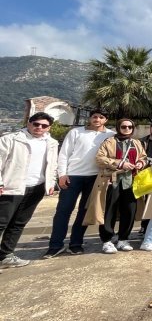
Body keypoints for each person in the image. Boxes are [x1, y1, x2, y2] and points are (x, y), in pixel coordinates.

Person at [43, 109, 115, 258]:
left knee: (84, 212)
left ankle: (76, 243)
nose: (97, 119)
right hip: (73, 176)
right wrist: (62, 174)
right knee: (63, 210)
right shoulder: (76, 132)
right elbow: (64, 154)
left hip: (95, 178)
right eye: (94, 116)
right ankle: (55, 245)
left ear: (105, 120)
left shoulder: (110, 135)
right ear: (90, 119)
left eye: (101, 117)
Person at [0, 112, 58, 268]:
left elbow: (52, 165)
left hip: (36, 187)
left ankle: (5, 255)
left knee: (19, 223)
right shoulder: (10, 139)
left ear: (48, 127)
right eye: (36, 124)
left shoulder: (51, 143)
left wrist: (51, 182)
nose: (39, 127)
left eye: (44, 125)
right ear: (29, 123)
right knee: (1, 222)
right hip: (11, 187)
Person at [85, 119, 147, 254]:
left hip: (131, 181)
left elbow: (143, 157)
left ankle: (123, 238)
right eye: (124, 126)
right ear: (119, 127)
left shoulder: (136, 143)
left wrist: (141, 164)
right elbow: (99, 159)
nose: (127, 129)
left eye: (130, 126)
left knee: (130, 210)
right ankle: (107, 240)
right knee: (109, 211)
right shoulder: (109, 142)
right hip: (112, 181)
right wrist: (120, 164)